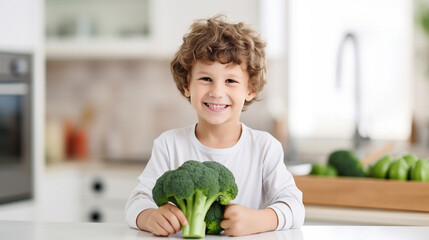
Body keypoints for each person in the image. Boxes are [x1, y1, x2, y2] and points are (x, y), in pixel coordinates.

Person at [125, 15, 305, 237]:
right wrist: (148, 216)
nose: (217, 92)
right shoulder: (169, 145)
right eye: (206, 79)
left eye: (231, 81)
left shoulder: (264, 147)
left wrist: (260, 220)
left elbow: (295, 206)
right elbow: (136, 200)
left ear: (250, 90)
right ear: (186, 85)